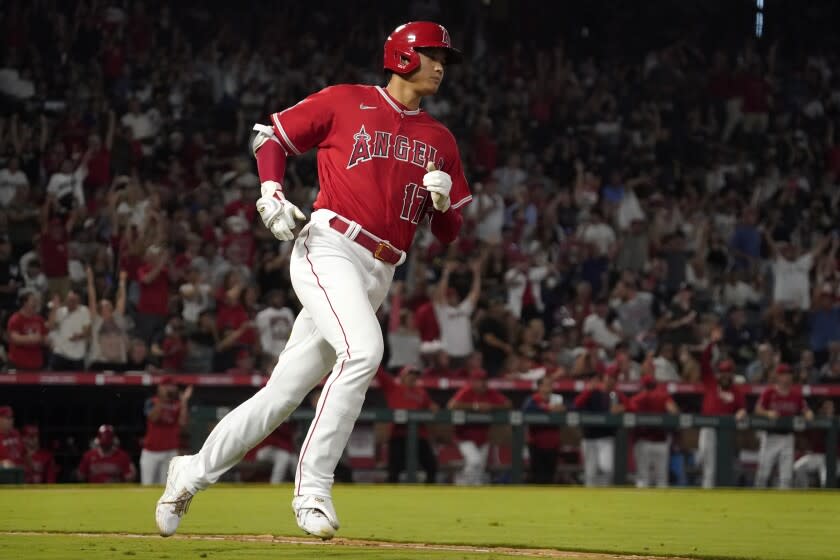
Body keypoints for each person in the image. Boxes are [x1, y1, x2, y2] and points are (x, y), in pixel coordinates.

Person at [156, 21, 470, 540]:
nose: (441, 65)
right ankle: (313, 490)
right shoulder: (347, 100)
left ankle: (190, 471)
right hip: (330, 246)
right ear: (403, 56)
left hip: (380, 270)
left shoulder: (440, 138)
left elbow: (450, 231)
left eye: (444, 57)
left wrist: (440, 205)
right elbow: (270, 137)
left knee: (281, 395)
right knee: (364, 352)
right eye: (433, 53)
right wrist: (272, 193)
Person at [696, 328, 747, 489]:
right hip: (708, 427)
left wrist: (741, 412)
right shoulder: (711, 382)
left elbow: (742, 408)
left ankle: (715, 492)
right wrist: (712, 342)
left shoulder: (736, 391)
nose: (724, 376)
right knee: (705, 459)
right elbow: (704, 360)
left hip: (725, 431)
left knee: (720, 464)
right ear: (718, 373)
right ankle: (706, 490)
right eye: (722, 373)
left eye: (727, 373)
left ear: (732, 374)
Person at [754, 363, 814, 489]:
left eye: (788, 375)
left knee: (786, 478)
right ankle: (756, 504)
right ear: (778, 376)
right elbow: (758, 409)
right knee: (762, 475)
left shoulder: (796, 394)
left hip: (788, 437)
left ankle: (784, 506)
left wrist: (808, 413)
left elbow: (806, 410)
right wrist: (767, 412)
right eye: (783, 375)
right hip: (770, 437)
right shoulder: (769, 392)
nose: (786, 378)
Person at [375, 365, 439, 483]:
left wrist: (433, 407)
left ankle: (429, 496)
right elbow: (379, 373)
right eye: (410, 375)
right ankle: (389, 497)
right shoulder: (393, 386)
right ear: (402, 376)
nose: (413, 378)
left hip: (419, 435)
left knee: (432, 467)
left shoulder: (421, 392)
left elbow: (432, 406)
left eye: (415, 376)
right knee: (394, 471)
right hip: (398, 434)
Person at [447, 369, 511, 485]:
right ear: (472, 381)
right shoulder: (467, 391)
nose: (482, 383)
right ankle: (460, 482)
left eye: (484, 380)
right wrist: (475, 406)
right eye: (479, 380)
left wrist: (491, 407)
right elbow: (452, 405)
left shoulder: (490, 392)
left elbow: (507, 404)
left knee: (479, 472)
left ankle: (471, 496)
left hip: (483, 437)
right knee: (474, 461)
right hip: (464, 436)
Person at [573, 364, 629, 486]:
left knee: (607, 468)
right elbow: (576, 405)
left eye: (614, 377)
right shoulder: (593, 390)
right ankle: (589, 500)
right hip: (589, 437)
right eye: (609, 376)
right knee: (590, 473)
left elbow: (632, 406)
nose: (611, 380)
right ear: (604, 377)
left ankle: (604, 495)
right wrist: (588, 390)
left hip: (606, 437)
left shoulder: (617, 394)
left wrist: (622, 407)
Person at [630, 374, 679, 488]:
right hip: (661, 443)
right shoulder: (663, 396)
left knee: (643, 479)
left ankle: (640, 505)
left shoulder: (639, 397)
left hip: (643, 442)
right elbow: (674, 411)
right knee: (662, 479)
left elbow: (628, 408)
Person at [142, 377, 192, 485]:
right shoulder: (152, 401)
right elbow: (153, 418)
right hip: (150, 451)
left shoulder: (178, 404)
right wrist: (162, 399)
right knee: (147, 485)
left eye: (172, 386)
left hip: (170, 451)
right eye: (166, 386)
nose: (169, 388)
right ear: (160, 388)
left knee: (166, 486)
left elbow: (183, 424)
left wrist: (184, 401)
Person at [522, 375, 565, 484]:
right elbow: (527, 409)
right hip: (536, 444)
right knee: (537, 478)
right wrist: (547, 408)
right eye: (545, 385)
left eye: (550, 385)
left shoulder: (557, 399)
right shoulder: (533, 399)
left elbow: (571, 407)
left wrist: (563, 408)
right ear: (539, 387)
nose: (548, 388)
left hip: (553, 444)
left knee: (550, 477)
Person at [794, 400, 838, 488]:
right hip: (816, 456)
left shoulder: (837, 421)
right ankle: (804, 494)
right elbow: (802, 433)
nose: (828, 410)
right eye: (825, 408)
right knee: (798, 468)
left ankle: (828, 499)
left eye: (830, 408)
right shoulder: (816, 421)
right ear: (821, 409)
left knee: (826, 480)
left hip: (834, 458)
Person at [47, 290, 92, 371]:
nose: (71, 302)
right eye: (69, 300)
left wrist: (80, 336)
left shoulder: (84, 311)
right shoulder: (60, 311)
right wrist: (54, 309)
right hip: (60, 353)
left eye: (74, 300)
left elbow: (88, 331)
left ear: (79, 301)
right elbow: (51, 326)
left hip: (77, 356)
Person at [6, 292, 48, 371]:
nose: (36, 303)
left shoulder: (39, 319)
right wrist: (33, 338)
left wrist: (44, 340)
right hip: (17, 364)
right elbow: (15, 339)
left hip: (36, 365)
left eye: (36, 301)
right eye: (33, 301)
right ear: (25, 303)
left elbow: (45, 338)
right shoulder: (15, 319)